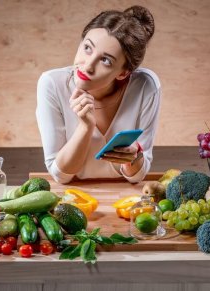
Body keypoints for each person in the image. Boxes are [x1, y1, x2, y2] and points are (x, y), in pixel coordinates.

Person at [36, 6, 161, 184]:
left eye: (105, 60)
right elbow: (60, 175)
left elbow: (138, 176)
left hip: (124, 196)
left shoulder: (146, 86)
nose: (88, 66)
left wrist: (134, 156)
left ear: (123, 73)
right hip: (72, 195)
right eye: (87, 48)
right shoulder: (51, 83)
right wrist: (86, 127)